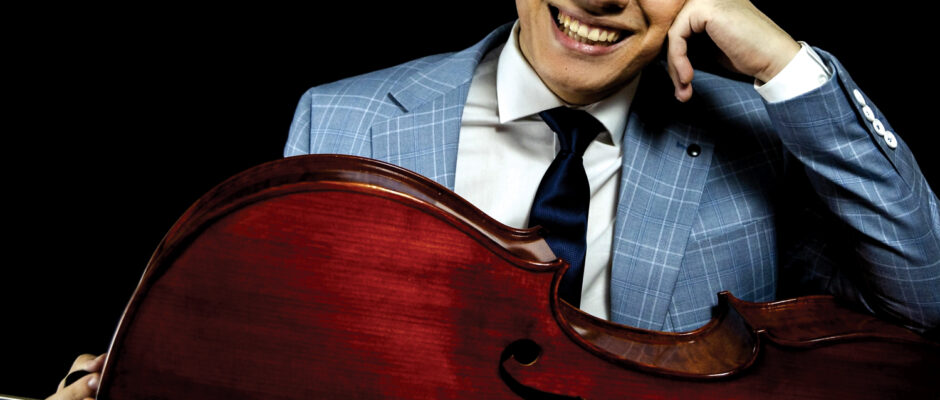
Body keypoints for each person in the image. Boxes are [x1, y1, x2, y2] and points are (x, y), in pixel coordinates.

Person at [48, 0, 939, 398]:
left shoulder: (764, 133)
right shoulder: (344, 118)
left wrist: (789, 69)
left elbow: (922, 300)